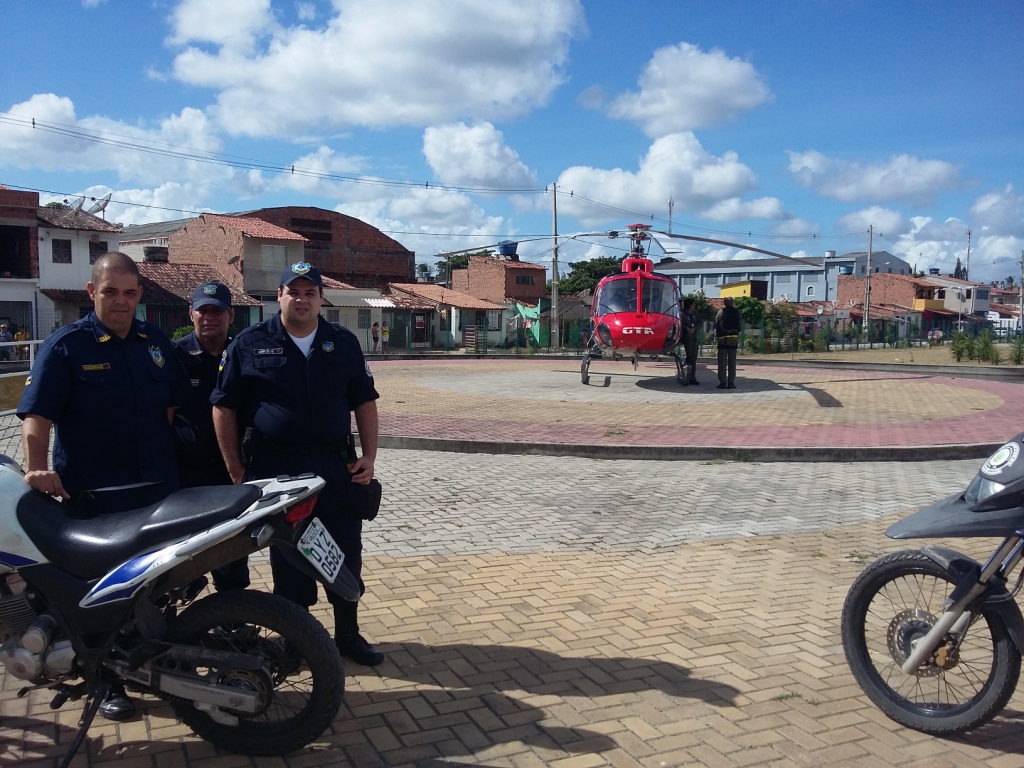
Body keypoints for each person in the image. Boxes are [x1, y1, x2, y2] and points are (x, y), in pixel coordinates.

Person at [17, 252, 190, 720]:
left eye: (130, 293)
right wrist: (36, 468)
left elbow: (170, 406)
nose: (120, 301)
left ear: (140, 296)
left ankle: (156, 663)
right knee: (99, 597)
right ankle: (106, 682)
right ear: (92, 292)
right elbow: (38, 415)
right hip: (97, 501)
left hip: (156, 491)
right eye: (110, 291)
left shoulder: (155, 342)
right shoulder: (67, 346)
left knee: (155, 587)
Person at [212, 262, 385, 667]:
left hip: (334, 469)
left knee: (345, 552)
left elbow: (364, 400)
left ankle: (348, 635)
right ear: (280, 296)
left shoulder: (343, 342)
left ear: (321, 298)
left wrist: (370, 456)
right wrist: (236, 469)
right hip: (279, 470)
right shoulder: (249, 343)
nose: (302, 300)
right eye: (294, 291)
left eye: (310, 293)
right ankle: (295, 643)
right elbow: (223, 407)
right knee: (290, 561)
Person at [172, 281, 249, 591]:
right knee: (180, 566)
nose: (209, 318)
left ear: (231, 315)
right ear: (191, 314)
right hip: (186, 476)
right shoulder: (175, 356)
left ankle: (231, 616)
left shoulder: (242, 352)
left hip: (231, 474)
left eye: (216, 311)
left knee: (232, 560)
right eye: (202, 311)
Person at [715, 296, 742, 390]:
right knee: (732, 362)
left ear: (724, 303)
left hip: (723, 338)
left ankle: (723, 382)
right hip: (733, 338)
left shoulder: (721, 312)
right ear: (732, 302)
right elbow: (739, 325)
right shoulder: (737, 312)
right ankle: (731, 382)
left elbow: (717, 323)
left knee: (722, 362)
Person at [681, 298, 700, 385]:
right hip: (685, 337)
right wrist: (686, 328)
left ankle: (692, 377)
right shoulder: (682, 314)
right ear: (690, 306)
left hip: (694, 338)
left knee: (693, 358)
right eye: (693, 305)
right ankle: (688, 374)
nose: (694, 306)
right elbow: (679, 323)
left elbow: (700, 322)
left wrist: (694, 328)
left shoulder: (695, 313)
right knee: (690, 357)